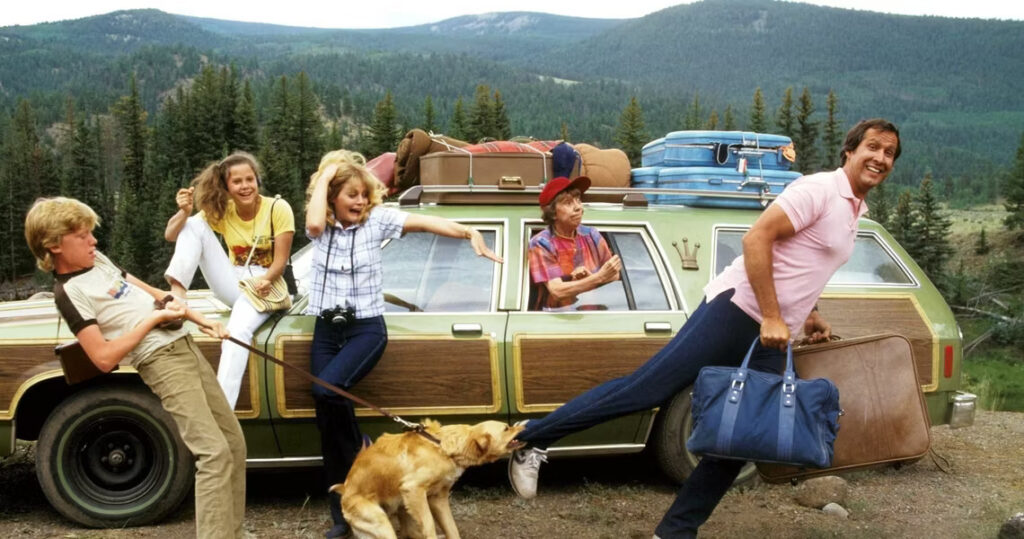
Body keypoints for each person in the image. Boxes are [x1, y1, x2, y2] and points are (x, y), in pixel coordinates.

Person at [508, 119, 902, 538]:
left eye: (889, 153)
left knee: (746, 434)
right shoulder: (820, 190)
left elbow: (803, 261)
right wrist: (771, 314)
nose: (879, 158)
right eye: (873, 147)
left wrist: (811, 313)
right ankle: (532, 438)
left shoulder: (855, 208)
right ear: (850, 151)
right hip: (737, 311)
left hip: (773, 329)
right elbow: (756, 240)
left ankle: (674, 531)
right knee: (647, 389)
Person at [304, 149, 503, 538]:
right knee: (328, 413)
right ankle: (344, 513)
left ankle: (363, 454)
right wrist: (327, 175)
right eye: (351, 195)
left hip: (366, 328)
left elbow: (425, 222)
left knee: (325, 391)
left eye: (364, 194)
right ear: (332, 198)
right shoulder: (322, 226)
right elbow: (312, 223)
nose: (360, 202)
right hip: (327, 328)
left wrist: (468, 232)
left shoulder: (377, 221)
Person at [25, 197, 246, 539]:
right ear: (54, 245)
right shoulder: (68, 292)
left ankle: (233, 532)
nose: (93, 241)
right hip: (160, 361)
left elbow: (150, 292)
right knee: (213, 453)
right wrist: (155, 319)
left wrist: (196, 317)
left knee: (233, 443)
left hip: (183, 344)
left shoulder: (97, 260)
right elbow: (103, 357)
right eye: (82, 235)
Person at [163, 151, 295, 408]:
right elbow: (171, 234)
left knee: (237, 332)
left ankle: (224, 410)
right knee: (191, 225)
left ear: (257, 180)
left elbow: (280, 262)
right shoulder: (224, 210)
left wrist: (266, 279)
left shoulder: (278, 208)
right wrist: (184, 211)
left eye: (250, 179)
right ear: (226, 186)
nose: (245, 186)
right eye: (237, 182)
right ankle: (177, 295)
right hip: (235, 279)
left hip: (267, 282)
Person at [528, 176, 622, 310]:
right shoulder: (541, 243)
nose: (578, 207)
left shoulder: (592, 235)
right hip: (557, 319)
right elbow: (557, 290)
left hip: (596, 314)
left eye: (578, 200)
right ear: (553, 213)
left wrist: (591, 277)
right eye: (568, 203)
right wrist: (598, 278)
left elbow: (614, 275)